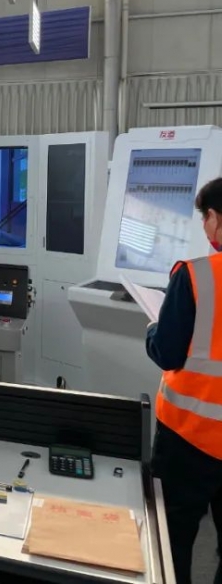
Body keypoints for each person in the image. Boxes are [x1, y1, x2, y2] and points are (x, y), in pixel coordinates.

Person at [147, 177, 222, 584]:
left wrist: (152, 330)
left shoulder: (195, 275)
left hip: (189, 437)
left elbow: (168, 353)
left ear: (213, 218)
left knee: (172, 539)